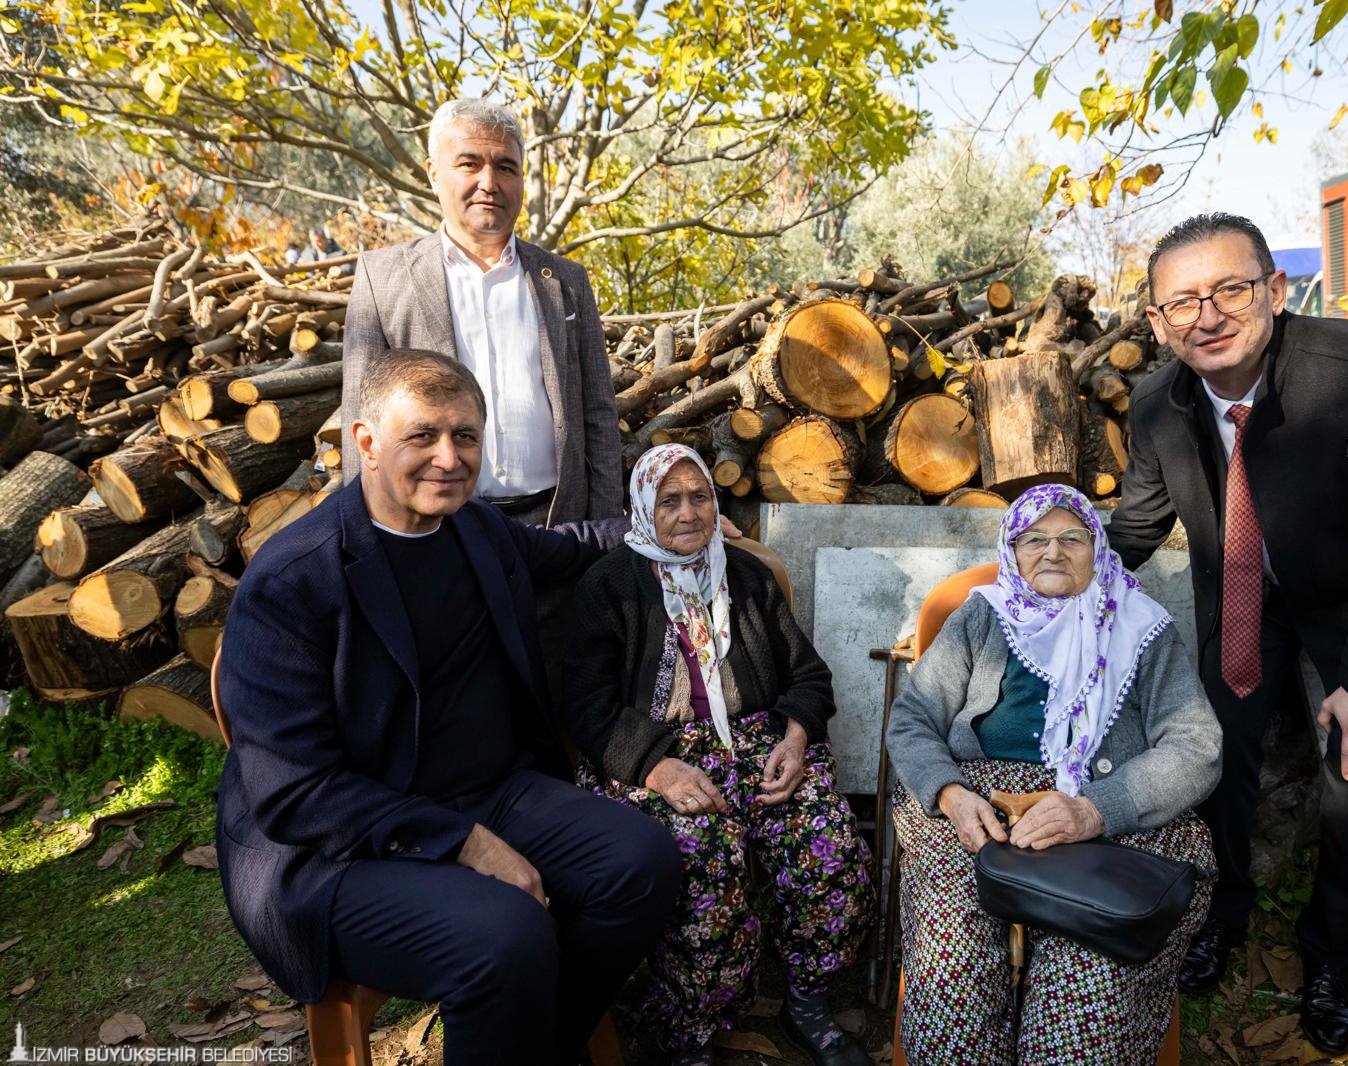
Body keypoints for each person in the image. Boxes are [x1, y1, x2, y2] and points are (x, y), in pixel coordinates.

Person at [214, 349, 681, 1065]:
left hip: (486, 789)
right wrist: (461, 841)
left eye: (465, 436)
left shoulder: (475, 530)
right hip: (336, 849)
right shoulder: (293, 583)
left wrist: (666, 531)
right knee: (505, 935)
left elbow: (566, 547)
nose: (448, 457)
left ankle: (543, 1043)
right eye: (422, 435)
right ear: (365, 443)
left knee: (642, 861)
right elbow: (295, 794)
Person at [1107, 213, 1348, 1055]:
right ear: (1157, 323)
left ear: (1273, 290)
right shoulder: (1158, 400)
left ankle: (1331, 954)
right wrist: (1036, 592)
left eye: (1230, 288)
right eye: (1181, 302)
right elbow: (1137, 525)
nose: (1208, 315)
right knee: (1213, 755)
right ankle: (1223, 912)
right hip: (1241, 596)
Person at [886, 485, 1222, 1066]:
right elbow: (913, 719)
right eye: (1034, 539)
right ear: (1011, 550)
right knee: (954, 953)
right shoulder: (981, 615)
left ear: (1098, 548)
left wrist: (1095, 809)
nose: (1053, 552)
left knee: (1091, 964)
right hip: (981, 802)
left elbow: (1197, 746)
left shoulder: (1143, 627)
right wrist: (951, 794)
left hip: (1107, 810)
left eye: (1073, 537)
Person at [565, 444, 875, 1066]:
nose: (688, 514)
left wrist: (795, 739)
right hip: (659, 754)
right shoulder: (609, 587)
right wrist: (656, 766)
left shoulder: (746, 574)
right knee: (702, 859)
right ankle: (692, 1029)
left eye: (700, 496)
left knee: (831, 844)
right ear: (642, 509)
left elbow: (808, 676)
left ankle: (807, 1001)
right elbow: (586, 706)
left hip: (760, 744)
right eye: (669, 500)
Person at [341, 97, 622, 527]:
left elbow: (598, 414)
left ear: (521, 181)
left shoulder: (565, 281)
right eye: (469, 164)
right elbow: (361, 425)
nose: (489, 182)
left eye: (505, 167)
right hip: (436, 529)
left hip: (556, 526)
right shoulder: (383, 279)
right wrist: (370, 535)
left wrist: (606, 526)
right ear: (434, 174)